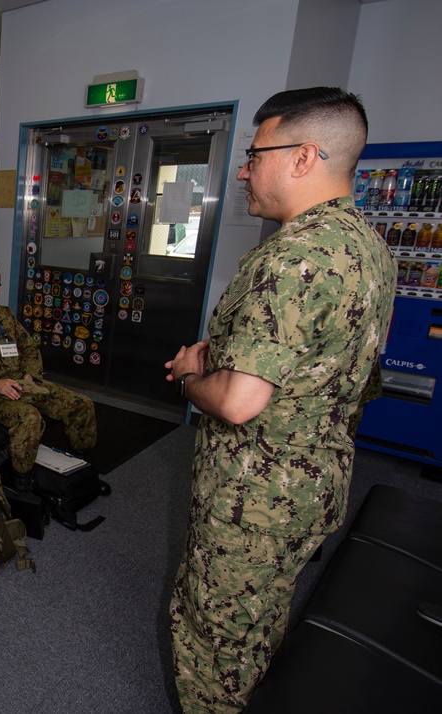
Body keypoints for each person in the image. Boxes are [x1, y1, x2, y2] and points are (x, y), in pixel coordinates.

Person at [164, 87, 395, 714]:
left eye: (255, 153)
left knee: (210, 638)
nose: (243, 169)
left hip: (253, 497)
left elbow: (239, 404)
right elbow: (334, 363)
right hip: (315, 482)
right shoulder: (365, 247)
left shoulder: (290, 259)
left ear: (304, 156)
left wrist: (190, 376)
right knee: (259, 616)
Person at [0, 258, 97, 486]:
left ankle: (80, 467)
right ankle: (22, 480)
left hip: (23, 383)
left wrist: (30, 374)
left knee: (82, 404)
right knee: (29, 418)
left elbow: (29, 348)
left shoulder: (4, 316)